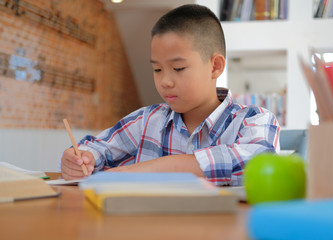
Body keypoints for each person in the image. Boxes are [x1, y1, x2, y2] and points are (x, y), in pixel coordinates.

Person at [61, 4, 280, 186]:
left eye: (178, 69)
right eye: (157, 69)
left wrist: (141, 171)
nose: (164, 81)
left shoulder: (254, 120)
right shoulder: (146, 120)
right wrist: (81, 158)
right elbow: (95, 149)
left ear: (215, 66)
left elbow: (257, 164)